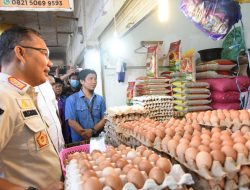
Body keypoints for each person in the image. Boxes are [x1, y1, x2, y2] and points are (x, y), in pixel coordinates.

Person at [0, 26, 63, 189]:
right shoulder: (3, 97)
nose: (49, 62)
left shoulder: (21, 95)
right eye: (44, 53)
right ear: (20, 53)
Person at [65, 69, 106, 142]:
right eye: (90, 79)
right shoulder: (71, 99)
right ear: (82, 81)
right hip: (79, 141)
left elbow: (104, 118)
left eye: (95, 79)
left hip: (98, 139)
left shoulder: (100, 99)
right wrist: (84, 133)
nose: (94, 82)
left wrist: (92, 130)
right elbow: (71, 121)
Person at [35, 77, 65, 153]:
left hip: (59, 141)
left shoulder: (51, 96)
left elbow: (57, 118)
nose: (52, 87)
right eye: (52, 85)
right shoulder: (35, 93)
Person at [52, 77, 71, 144]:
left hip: (68, 129)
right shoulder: (51, 101)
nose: (58, 88)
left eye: (60, 86)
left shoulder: (65, 99)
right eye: (56, 86)